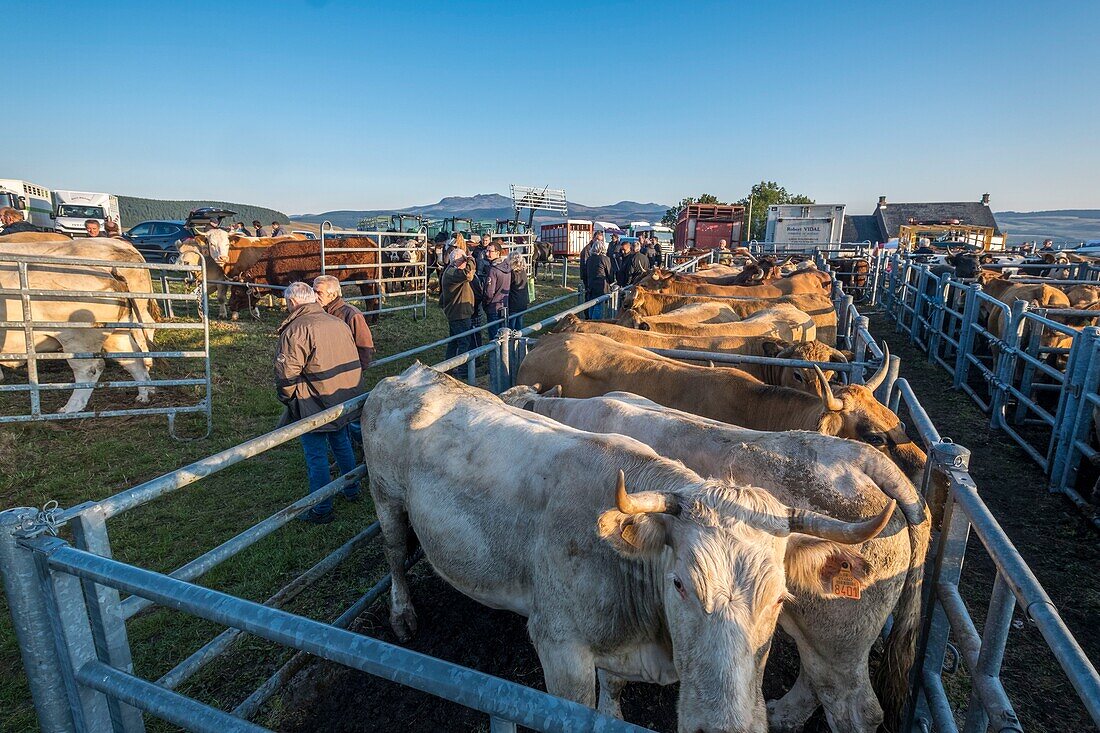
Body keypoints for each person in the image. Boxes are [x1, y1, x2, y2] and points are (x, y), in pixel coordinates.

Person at [274, 282, 363, 524]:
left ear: (292, 302)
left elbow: (286, 375)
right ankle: (352, 488)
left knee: (316, 455)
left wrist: (289, 399)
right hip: (341, 397)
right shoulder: (338, 322)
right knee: (342, 443)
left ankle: (322, 507)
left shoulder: (296, 330)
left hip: (312, 401)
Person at [313, 276, 374, 371]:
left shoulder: (351, 314)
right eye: (313, 291)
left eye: (319, 293)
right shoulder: (315, 312)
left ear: (333, 295)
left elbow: (365, 345)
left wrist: (358, 370)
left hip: (344, 369)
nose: (315, 296)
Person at [439, 249, 476, 361]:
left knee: (454, 341)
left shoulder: (452, 272)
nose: (465, 263)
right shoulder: (452, 273)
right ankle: (463, 369)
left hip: (457, 312)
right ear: (456, 261)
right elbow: (468, 275)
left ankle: (449, 366)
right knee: (464, 342)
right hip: (459, 314)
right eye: (463, 260)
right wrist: (471, 259)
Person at [482, 242, 511, 339]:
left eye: (490, 251)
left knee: (494, 338)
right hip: (504, 306)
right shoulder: (507, 267)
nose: (487, 254)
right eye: (486, 251)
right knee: (504, 337)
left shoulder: (493, 270)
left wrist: (486, 304)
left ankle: (495, 354)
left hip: (493, 307)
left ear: (498, 253)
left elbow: (489, 292)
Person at [584, 239, 614, 319]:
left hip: (591, 286)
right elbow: (610, 274)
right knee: (598, 307)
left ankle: (590, 322)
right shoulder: (605, 259)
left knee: (591, 306)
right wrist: (612, 281)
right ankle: (594, 324)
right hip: (601, 287)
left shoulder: (589, 259)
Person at [507, 251, 530, 330]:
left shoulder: (512, 274)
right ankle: (518, 339)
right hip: (523, 301)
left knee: (511, 323)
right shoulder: (523, 272)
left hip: (514, 302)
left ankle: (511, 340)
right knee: (519, 321)